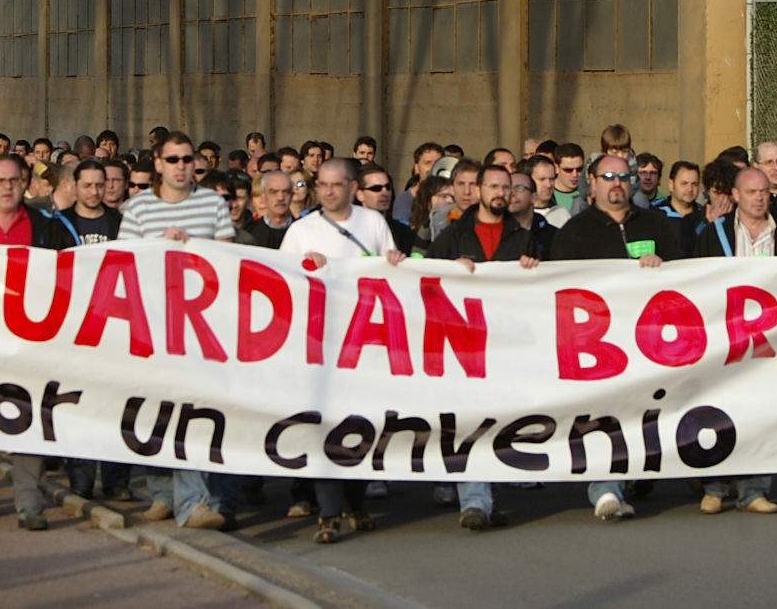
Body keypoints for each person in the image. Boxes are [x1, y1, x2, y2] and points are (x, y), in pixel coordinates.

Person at [545, 154, 676, 521]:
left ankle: (631, 478)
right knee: (604, 416)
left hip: (647, 341)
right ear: (593, 181)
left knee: (641, 411)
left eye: (623, 176)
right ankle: (605, 488)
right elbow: (560, 286)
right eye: (608, 176)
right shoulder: (574, 232)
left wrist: (663, 267)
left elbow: (685, 272)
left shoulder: (656, 224)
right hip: (597, 343)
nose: (616, 182)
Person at [279, 158, 402, 542]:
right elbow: (281, 279)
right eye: (323, 185)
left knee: (363, 423)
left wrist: (395, 262)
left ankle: (356, 502)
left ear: (352, 187)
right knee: (325, 425)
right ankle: (329, 512)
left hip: (366, 342)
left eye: (337, 185)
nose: (329, 191)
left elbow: (390, 270)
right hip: (321, 344)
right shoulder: (302, 231)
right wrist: (305, 267)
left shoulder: (373, 223)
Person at [118, 132, 237, 530]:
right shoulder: (137, 208)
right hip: (153, 323)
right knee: (154, 410)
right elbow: (124, 265)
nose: (181, 166)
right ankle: (162, 494)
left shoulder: (212, 203)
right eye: (173, 160)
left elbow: (230, 258)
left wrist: (195, 250)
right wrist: (158, 248)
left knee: (192, 409)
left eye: (187, 159)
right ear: (158, 163)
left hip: (200, 327)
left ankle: (194, 502)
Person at [0, 153, 77, 526]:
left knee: (30, 419)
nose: (7, 187)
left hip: (32, 343)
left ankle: (29, 503)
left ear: (25, 183)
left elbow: (75, 271)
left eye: (13, 180)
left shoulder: (47, 226)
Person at [428, 163, 543, 530]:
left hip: (508, 344)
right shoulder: (454, 235)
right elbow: (424, 275)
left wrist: (532, 267)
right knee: (469, 420)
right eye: (492, 186)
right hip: (464, 345)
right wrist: (448, 267)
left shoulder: (525, 236)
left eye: (505, 187)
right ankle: (475, 499)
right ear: (478, 190)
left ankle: (494, 483)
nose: (500, 193)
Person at [688, 166, 777, 515]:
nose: (760, 197)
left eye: (764, 192)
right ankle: (715, 486)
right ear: (735, 196)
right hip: (723, 339)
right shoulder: (713, 235)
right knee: (719, 413)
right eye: (751, 192)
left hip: (767, 342)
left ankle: (754, 489)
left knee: (759, 414)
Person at [355, 164, 421, 255]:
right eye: (376, 188)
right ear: (360, 195)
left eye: (388, 187)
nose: (384, 192)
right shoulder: (348, 229)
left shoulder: (405, 233)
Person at [655, 159, 705, 257]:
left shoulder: (705, 215)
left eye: (694, 184)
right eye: (684, 183)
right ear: (671, 185)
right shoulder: (655, 214)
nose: (690, 189)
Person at [65, 159, 121, 243]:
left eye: (99, 186)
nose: (94, 192)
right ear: (75, 186)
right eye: (87, 186)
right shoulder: (60, 222)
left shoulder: (118, 221)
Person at [393, 141, 443, 224]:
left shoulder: (452, 197)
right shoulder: (405, 200)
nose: (433, 167)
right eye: (427, 163)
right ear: (416, 168)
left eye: (438, 163)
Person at [247, 170, 295, 248]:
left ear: (292, 196)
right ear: (263, 197)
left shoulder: (304, 231)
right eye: (273, 192)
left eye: (286, 192)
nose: (280, 197)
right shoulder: (250, 233)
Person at [524, 155, 571, 227]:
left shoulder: (562, 214)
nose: (549, 185)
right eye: (542, 179)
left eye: (552, 179)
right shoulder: (519, 214)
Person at [550, 143, 586, 216]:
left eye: (579, 169)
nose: (575, 174)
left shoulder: (590, 193)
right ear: (556, 168)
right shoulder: (547, 194)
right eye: (568, 170)